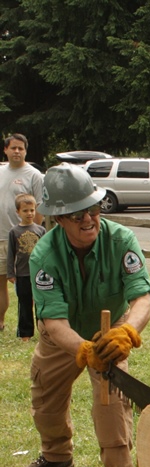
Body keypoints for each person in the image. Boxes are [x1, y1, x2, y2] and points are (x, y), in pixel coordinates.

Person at [15, 164, 150, 467]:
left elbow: (142, 299)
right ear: (59, 218)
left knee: (111, 411)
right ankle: (57, 456)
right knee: (45, 401)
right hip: (60, 337)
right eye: (78, 215)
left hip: (110, 335)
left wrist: (126, 334)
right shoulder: (44, 255)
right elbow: (54, 322)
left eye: (94, 209)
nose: (89, 219)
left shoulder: (122, 239)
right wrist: (83, 351)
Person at [0, 133, 44, 332]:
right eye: (13, 148)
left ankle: (29, 324)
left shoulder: (34, 175)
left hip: (23, 240)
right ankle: (0, 322)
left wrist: (30, 234)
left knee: (27, 285)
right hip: (1, 237)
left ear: (26, 151)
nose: (16, 151)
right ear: (5, 150)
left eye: (20, 148)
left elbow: (40, 208)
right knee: (1, 283)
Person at [7, 193, 45, 341]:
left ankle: (43, 331)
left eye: (32, 210)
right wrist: (11, 273)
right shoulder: (14, 232)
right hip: (22, 274)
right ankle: (25, 333)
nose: (29, 213)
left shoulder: (40, 230)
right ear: (18, 212)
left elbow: (46, 253)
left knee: (41, 304)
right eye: (25, 210)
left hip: (39, 274)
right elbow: (11, 254)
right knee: (24, 304)